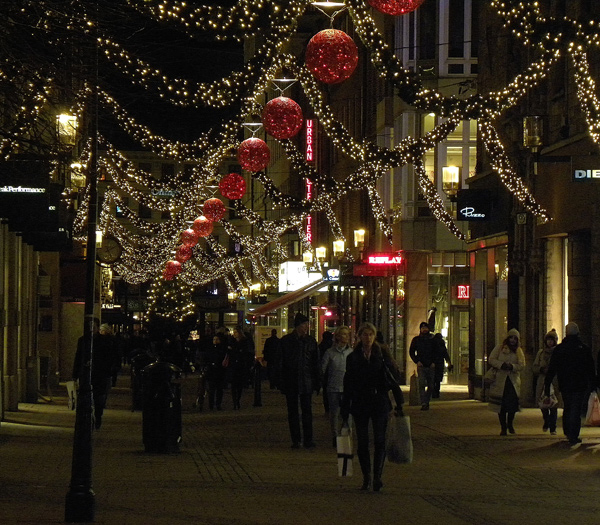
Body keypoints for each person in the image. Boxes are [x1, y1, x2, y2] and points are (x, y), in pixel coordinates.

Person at [341, 322, 404, 492]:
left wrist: (399, 402)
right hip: (360, 402)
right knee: (362, 442)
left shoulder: (382, 354)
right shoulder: (352, 357)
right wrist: (345, 408)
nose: (368, 338)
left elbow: (393, 378)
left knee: (379, 440)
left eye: (370, 334)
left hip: (379, 401)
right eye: (365, 334)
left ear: (374, 336)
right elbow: (348, 384)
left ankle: (377, 477)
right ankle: (366, 477)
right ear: (359, 337)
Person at [544, 322, 597, 445]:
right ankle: (574, 434)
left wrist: (548, 383)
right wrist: (593, 384)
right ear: (578, 333)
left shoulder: (560, 349)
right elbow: (590, 367)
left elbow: (552, 368)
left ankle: (568, 431)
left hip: (565, 383)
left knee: (568, 407)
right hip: (580, 384)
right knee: (576, 408)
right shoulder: (583, 348)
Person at [278, 312, 320, 449]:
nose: (307, 327)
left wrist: (317, 381)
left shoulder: (310, 341)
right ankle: (296, 439)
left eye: (307, 324)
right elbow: (281, 362)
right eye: (304, 324)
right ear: (298, 326)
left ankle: (308, 439)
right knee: (293, 412)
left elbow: (315, 362)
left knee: (307, 411)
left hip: (306, 381)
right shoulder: (286, 341)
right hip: (292, 381)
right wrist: (281, 381)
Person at [72, 318, 121, 429]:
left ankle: (97, 416)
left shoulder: (105, 341)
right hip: (86, 374)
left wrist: (110, 371)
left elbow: (111, 357)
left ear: (97, 328)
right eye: (89, 327)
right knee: (86, 398)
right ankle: (87, 419)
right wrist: (75, 375)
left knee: (99, 399)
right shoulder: (83, 340)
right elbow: (78, 357)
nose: (91, 329)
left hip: (101, 374)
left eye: (93, 327)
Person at [487, 328, 526, 436]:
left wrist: (512, 366)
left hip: (512, 381)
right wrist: (501, 364)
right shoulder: (500, 348)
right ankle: (503, 427)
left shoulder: (518, 351)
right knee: (502, 406)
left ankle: (510, 424)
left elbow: (522, 365)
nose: (512, 340)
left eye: (515, 338)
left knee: (512, 405)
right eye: (511, 337)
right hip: (501, 380)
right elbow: (491, 359)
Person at [321, 325, 353, 448]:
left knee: (348, 413)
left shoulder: (351, 352)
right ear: (338, 336)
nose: (346, 337)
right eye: (343, 334)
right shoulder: (330, 353)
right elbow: (323, 369)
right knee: (334, 413)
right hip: (333, 386)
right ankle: (335, 435)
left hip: (347, 388)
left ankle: (346, 435)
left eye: (347, 334)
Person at [533, 329, 559, 434]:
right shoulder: (541, 353)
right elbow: (534, 367)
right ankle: (546, 421)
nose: (549, 342)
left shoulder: (558, 352)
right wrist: (541, 369)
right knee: (543, 404)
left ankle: (553, 427)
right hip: (542, 381)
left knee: (554, 405)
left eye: (551, 340)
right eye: (548, 340)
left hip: (554, 381)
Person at [409, 321, 438, 410]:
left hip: (431, 365)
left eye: (426, 328)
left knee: (431, 385)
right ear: (420, 329)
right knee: (421, 384)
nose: (424, 330)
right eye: (423, 328)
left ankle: (426, 400)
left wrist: (434, 362)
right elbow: (411, 351)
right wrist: (417, 361)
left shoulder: (432, 339)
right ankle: (424, 402)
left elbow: (437, 352)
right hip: (421, 365)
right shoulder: (416, 340)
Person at [229, 326, 254, 409]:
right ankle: (234, 402)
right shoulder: (232, 341)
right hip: (233, 365)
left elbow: (245, 353)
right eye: (234, 332)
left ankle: (237, 400)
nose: (234, 334)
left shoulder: (244, 341)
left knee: (239, 385)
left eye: (236, 332)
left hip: (241, 365)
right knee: (233, 385)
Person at [205, 333, 228, 410]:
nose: (215, 341)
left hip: (219, 371)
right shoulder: (210, 349)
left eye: (217, 339)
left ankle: (218, 404)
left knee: (219, 389)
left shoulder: (222, 349)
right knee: (211, 389)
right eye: (214, 339)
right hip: (212, 371)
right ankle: (211, 404)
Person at [432, 333, 453, 399]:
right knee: (438, 380)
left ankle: (433, 392)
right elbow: (446, 355)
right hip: (440, 363)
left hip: (433, 363)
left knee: (432, 379)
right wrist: (449, 363)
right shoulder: (442, 344)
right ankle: (437, 393)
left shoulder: (432, 344)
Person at [319, 331, 334, 413]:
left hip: (325, 373)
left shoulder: (321, 346)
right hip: (333, 371)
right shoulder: (332, 346)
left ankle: (327, 407)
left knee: (326, 390)